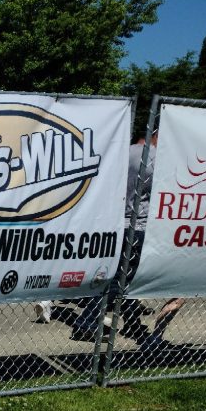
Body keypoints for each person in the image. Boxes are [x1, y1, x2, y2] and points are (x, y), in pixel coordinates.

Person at [72, 134, 156, 341]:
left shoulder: (124, 152)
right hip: (138, 224)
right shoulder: (155, 157)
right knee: (120, 279)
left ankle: (133, 323)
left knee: (125, 278)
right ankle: (87, 320)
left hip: (116, 222)